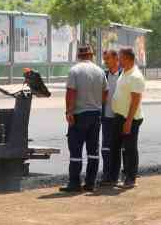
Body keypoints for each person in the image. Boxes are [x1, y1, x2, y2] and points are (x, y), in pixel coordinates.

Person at [60, 45, 107, 192]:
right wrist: (97, 104)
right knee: (93, 150)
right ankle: (90, 183)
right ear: (91, 55)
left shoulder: (75, 70)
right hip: (96, 114)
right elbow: (105, 93)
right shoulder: (99, 71)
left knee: (76, 150)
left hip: (79, 115)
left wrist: (69, 112)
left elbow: (71, 93)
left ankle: (74, 183)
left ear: (78, 56)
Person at [107, 47, 146, 188]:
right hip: (119, 116)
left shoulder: (136, 76)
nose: (119, 60)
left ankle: (130, 178)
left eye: (121, 58)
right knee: (115, 147)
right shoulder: (124, 72)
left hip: (131, 118)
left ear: (129, 58)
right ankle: (113, 178)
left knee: (130, 149)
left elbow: (136, 100)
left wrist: (129, 121)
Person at [99, 48, 122, 186]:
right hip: (106, 118)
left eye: (108, 59)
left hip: (120, 118)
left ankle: (116, 176)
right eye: (105, 59)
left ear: (116, 59)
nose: (105, 61)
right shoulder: (103, 75)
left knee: (118, 148)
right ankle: (106, 175)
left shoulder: (124, 75)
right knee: (106, 148)